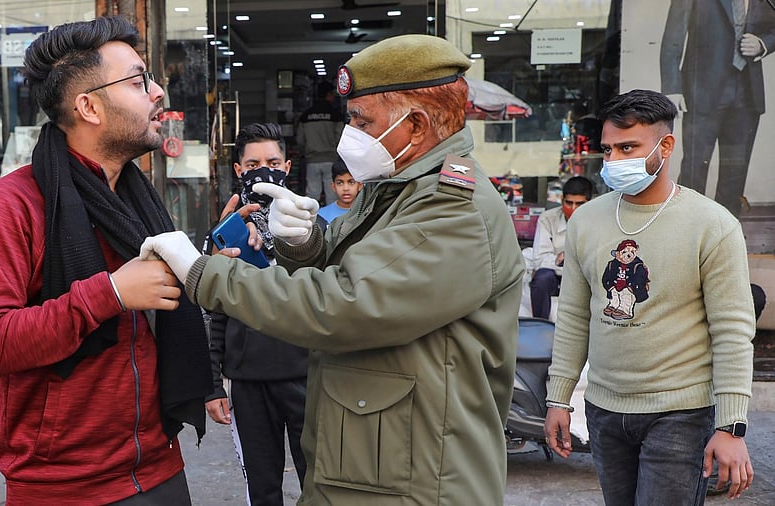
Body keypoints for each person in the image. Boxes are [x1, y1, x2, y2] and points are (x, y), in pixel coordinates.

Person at [140, 34, 525, 505]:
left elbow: (342, 304)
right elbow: (347, 263)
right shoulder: (392, 186)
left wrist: (204, 272)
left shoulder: (453, 209)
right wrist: (303, 243)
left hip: (417, 479)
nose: (351, 135)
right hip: (370, 463)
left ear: (417, 125)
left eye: (362, 121)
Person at [0, 17, 212, 505]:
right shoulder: (11, 204)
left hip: (160, 463)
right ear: (88, 106)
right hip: (63, 484)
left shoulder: (138, 199)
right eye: (139, 81)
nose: (158, 92)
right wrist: (109, 294)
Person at [543, 89, 755, 504]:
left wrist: (731, 426)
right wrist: (559, 398)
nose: (615, 161)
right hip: (603, 411)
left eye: (628, 148)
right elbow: (572, 317)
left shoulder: (712, 226)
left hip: (680, 414)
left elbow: (732, 331)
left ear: (666, 146)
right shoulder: (586, 221)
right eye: (607, 150)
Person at [204, 122, 308, 505]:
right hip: (248, 383)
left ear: (287, 166)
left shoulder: (311, 225)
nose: (264, 172)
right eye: (253, 165)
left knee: (320, 483)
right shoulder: (224, 234)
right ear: (238, 171)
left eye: (272, 162)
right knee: (262, 490)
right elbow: (214, 313)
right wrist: (213, 384)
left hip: (308, 379)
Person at [660, 0, 775, 216]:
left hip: (747, 92)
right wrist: (672, 88)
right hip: (702, 90)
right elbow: (673, 35)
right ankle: (689, 230)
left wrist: (763, 44)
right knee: (694, 169)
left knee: (736, 173)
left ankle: (724, 235)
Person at [529, 176, 593, 319]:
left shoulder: (598, 220)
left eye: (579, 204)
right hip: (557, 277)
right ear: (562, 200)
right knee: (541, 278)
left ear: (589, 202)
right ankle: (540, 324)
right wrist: (560, 259)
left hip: (586, 277)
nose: (573, 209)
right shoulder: (547, 218)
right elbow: (539, 259)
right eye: (569, 203)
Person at [296, 81, 344, 205]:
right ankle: (332, 222)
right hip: (331, 159)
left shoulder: (306, 115)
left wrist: (304, 152)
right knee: (332, 194)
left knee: (312, 195)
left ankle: (312, 223)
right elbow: (340, 137)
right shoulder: (335, 115)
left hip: (312, 160)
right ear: (328, 94)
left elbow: (300, 140)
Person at [315, 158, 362, 229]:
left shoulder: (367, 213)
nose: (346, 188)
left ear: (360, 185)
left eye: (351, 182)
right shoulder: (320, 216)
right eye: (340, 183)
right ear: (333, 186)